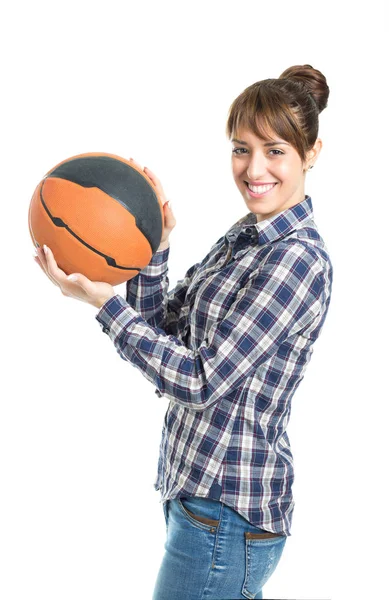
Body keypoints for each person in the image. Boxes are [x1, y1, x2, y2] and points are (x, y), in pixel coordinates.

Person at [34, 63, 333, 600]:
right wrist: (153, 249)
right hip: (199, 500)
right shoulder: (247, 237)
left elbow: (198, 379)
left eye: (275, 151)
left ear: (311, 153)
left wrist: (105, 304)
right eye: (241, 149)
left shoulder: (296, 261)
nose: (253, 168)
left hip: (228, 513)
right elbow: (164, 332)